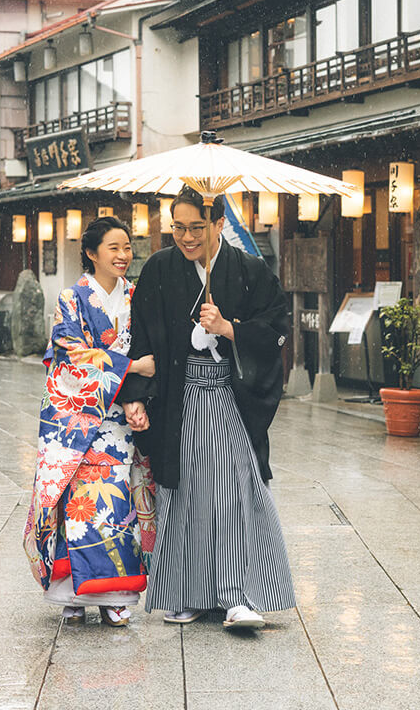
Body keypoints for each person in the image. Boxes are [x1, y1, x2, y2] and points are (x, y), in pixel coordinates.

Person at [120, 186, 295, 630]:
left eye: (197, 227)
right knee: (185, 492)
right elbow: (140, 334)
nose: (186, 237)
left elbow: (277, 327)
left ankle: (239, 594)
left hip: (229, 398)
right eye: (177, 227)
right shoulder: (160, 269)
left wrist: (230, 328)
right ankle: (187, 590)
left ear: (219, 223)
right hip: (178, 399)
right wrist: (136, 394)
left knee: (236, 486)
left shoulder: (250, 270)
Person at [23, 215, 157, 627]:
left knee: (116, 500)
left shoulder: (137, 296)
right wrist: (131, 365)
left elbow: (153, 347)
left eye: (127, 247)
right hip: (78, 419)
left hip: (119, 419)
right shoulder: (72, 298)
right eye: (114, 247)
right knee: (74, 502)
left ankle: (116, 593)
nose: (123, 255)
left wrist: (136, 397)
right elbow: (69, 356)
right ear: (91, 252)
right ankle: (70, 591)